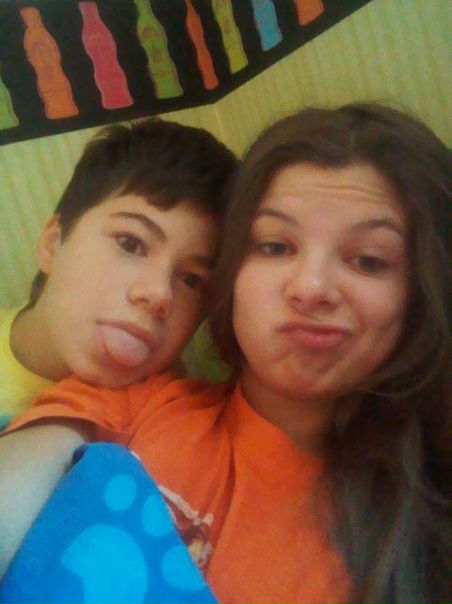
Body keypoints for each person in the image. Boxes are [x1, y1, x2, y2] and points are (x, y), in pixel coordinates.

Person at [0, 103, 450, 604]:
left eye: (367, 260)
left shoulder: (421, 525)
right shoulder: (134, 401)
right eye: (275, 246)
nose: (311, 287)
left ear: (420, 295)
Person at [0, 117, 237, 428]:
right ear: (53, 244)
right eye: (130, 244)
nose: (159, 294)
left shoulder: (172, 409)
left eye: (192, 280)